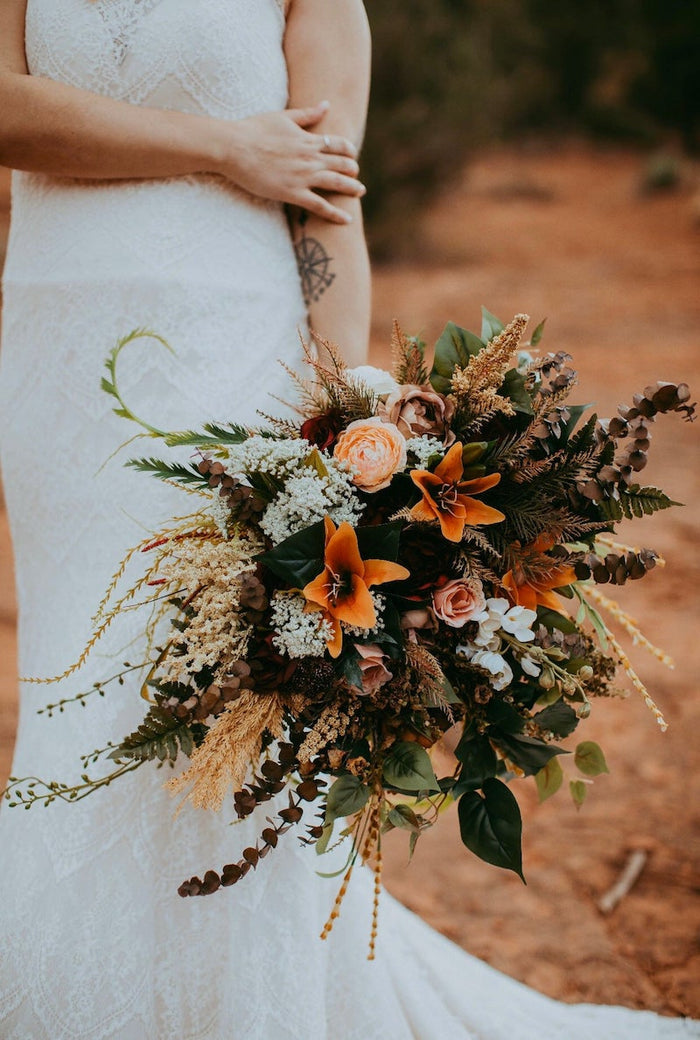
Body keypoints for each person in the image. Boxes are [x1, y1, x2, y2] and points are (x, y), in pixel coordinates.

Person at [0, 2, 697, 1037]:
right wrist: (229, 144)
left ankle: (243, 1000)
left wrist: (341, 430)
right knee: (75, 677)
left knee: (208, 682)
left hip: (225, 347)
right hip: (59, 351)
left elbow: (329, 208)